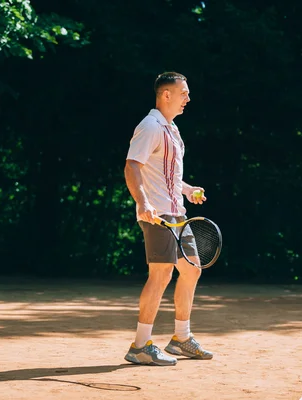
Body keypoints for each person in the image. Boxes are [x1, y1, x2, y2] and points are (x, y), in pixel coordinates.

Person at [123, 71, 213, 366]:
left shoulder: (171, 129)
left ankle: (181, 339)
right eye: (183, 93)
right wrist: (144, 202)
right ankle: (139, 345)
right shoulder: (150, 126)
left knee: (192, 270)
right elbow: (132, 167)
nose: (188, 98)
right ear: (166, 95)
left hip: (177, 214)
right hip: (157, 214)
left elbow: (167, 175)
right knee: (160, 274)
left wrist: (188, 189)